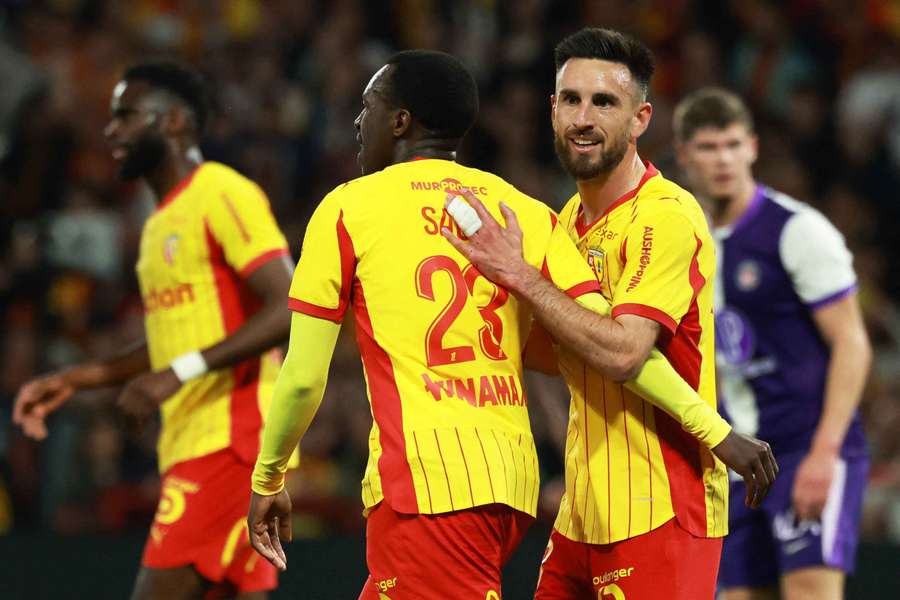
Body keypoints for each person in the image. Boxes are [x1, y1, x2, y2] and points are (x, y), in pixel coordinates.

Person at [250, 46, 774, 600]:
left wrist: (268, 477)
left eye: (368, 105)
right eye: (569, 99)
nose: (358, 121)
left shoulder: (347, 207)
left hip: (428, 479)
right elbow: (602, 342)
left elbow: (304, 376)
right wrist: (718, 431)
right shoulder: (530, 212)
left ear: (400, 120)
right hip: (519, 483)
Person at [443, 28, 777, 600]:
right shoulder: (566, 218)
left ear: (641, 118)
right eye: (570, 99)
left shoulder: (665, 216)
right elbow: (562, 351)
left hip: (660, 503)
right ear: (552, 110)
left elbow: (624, 351)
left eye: (604, 102)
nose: (583, 117)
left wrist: (520, 276)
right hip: (582, 510)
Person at [12, 61, 294, 600]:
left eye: (126, 116)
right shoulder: (157, 224)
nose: (110, 130)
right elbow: (172, 341)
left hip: (233, 440)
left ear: (173, 122)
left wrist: (175, 374)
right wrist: (79, 378)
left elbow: (287, 305)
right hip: (194, 440)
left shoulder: (221, 192)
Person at [673, 87, 871, 600]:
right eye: (710, 148)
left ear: (754, 148)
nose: (724, 160)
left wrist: (825, 454)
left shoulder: (797, 231)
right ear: (683, 155)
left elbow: (852, 343)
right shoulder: (682, 245)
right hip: (739, 461)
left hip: (805, 446)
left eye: (734, 145)